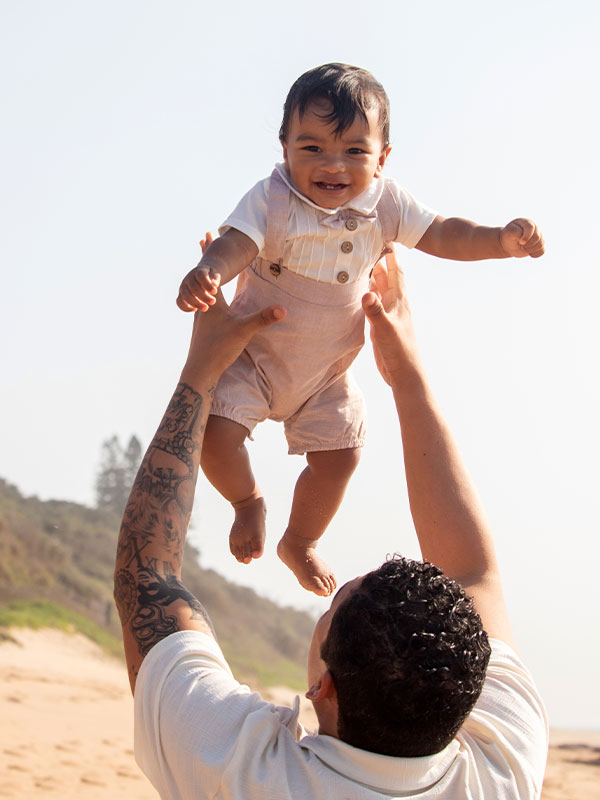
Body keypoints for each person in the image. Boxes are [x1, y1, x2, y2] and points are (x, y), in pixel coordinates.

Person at [114, 248, 548, 799]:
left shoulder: (243, 767)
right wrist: (407, 380)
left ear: (325, 688)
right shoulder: (499, 774)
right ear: (472, 691)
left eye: (333, 605)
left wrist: (202, 368)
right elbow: (472, 570)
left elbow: (145, 576)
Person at [175, 63, 545, 597]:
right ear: (284, 148)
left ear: (383, 157)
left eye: (354, 151)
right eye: (312, 149)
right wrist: (210, 271)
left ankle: (299, 540)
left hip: (326, 374)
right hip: (252, 356)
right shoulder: (272, 198)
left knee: (342, 456)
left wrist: (499, 241)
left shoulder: (387, 205)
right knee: (214, 435)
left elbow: (444, 233)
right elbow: (235, 242)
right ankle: (247, 501)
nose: (333, 165)